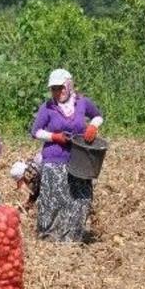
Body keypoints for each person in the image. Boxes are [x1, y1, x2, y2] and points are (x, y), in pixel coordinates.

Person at [29, 68, 103, 242]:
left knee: (79, 199)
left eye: (61, 88)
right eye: (54, 88)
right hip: (54, 158)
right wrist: (54, 137)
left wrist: (93, 126)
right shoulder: (48, 107)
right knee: (54, 200)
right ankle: (50, 237)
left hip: (79, 158)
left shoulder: (82, 103)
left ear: (69, 85)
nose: (57, 92)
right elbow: (35, 131)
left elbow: (98, 116)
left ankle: (72, 237)